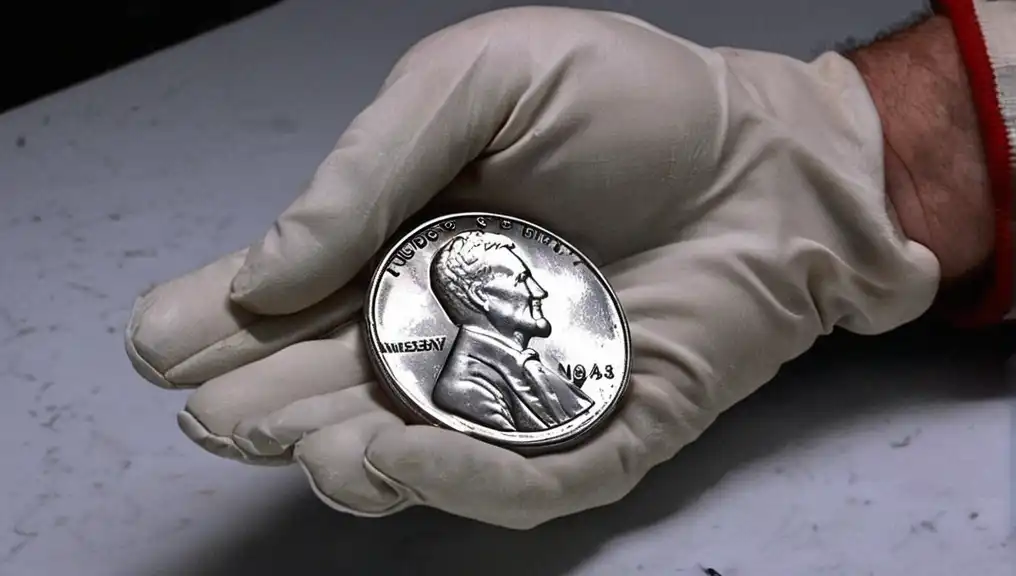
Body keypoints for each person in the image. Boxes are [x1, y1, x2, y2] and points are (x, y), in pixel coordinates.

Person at [124, 0, 1015, 529]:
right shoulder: (483, 377)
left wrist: (876, 158)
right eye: (510, 277)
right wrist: (884, 138)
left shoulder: (523, 372)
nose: (531, 284)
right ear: (468, 292)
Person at [429, 230, 593, 432]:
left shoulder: (535, 370)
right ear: (480, 296)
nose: (539, 292)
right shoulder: (466, 388)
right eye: (522, 279)